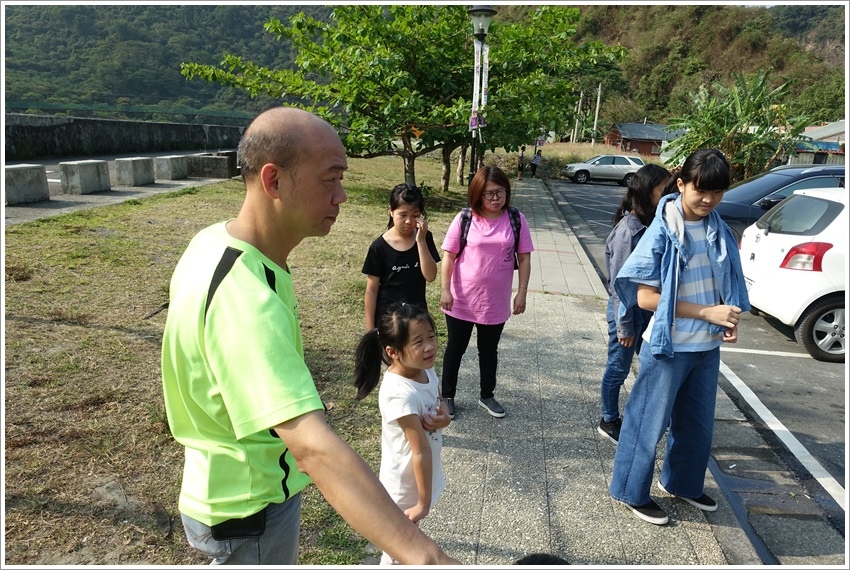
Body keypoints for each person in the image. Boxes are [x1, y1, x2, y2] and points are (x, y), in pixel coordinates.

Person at [160, 106, 458, 565]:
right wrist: (426, 557)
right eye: (330, 179)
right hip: (251, 506)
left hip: (224, 488)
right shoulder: (245, 297)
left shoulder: (216, 243)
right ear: (274, 180)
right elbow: (313, 449)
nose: (341, 195)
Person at [608, 148, 750, 525]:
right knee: (646, 422)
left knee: (697, 425)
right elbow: (644, 297)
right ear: (681, 184)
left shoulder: (717, 226)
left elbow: (720, 283)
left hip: (705, 344)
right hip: (669, 345)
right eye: (700, 191)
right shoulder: (664, 229)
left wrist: (727, 316)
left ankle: (682, 484)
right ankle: (628, 490)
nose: (708, 200)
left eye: (717, 193)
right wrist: (707, 313)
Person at [354, 302, 451, 565]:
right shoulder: (399, 393)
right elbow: (419, 449)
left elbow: (439, 400)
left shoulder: (425, 368)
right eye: (418, 341)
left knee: (407, 546)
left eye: (432, 336)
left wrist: (444, 418)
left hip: (421, 478)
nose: (430, 346)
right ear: (393, 352)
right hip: (404, 487)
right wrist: (422, 502)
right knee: (398, 553)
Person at [439, 165, 534, 419]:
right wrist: (445, 290)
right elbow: (449, 256)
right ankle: (447, 395)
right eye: (489, 193)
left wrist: (522, 292)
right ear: (478, 193)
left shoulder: (516, 219)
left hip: (495, 301)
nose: (495, 198)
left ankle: (487, 395)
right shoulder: (465, 218)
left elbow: (523, 259)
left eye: (500, 192)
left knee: (489, 350)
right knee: (455, 348)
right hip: (461, 298)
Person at [597, 164, 673, 444]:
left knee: (653, 363)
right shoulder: (628, 231)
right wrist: (624, 326)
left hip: (648, 308)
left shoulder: (653, 223)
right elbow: (620, 286)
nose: (668, 194)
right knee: (618, 367)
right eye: (663, 189)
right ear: (646, 192)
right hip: (627, 310)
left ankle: (646, 416)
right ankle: (608, 419)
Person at [362, 183, 440, 331]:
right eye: (403, 215)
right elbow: (371, 290)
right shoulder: (379, 246)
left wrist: (421, 242)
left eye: (415, 216)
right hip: (389, 320)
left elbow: (430, 276)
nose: (409, 221)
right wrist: (370, 328)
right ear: (391, 211)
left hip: (417, 316)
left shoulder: (424, 237)